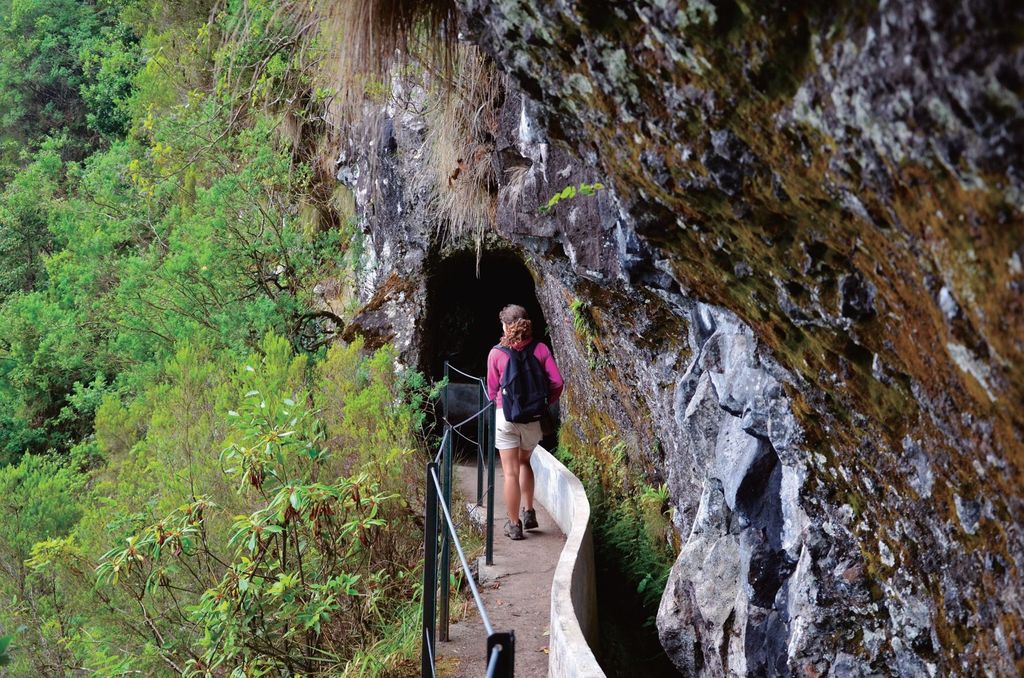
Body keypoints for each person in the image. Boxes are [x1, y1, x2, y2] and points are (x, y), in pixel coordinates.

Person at [486, 304, 564, 540]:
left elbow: (492, 389)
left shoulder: (496, 353)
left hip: (506, 416)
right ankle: (529, 512)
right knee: (524, 463)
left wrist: (498, 402)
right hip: (532, 418)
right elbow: (557, 382)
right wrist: (545, 402)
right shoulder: (540, 349)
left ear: (505, 326)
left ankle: (514, 525)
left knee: (509, 472)